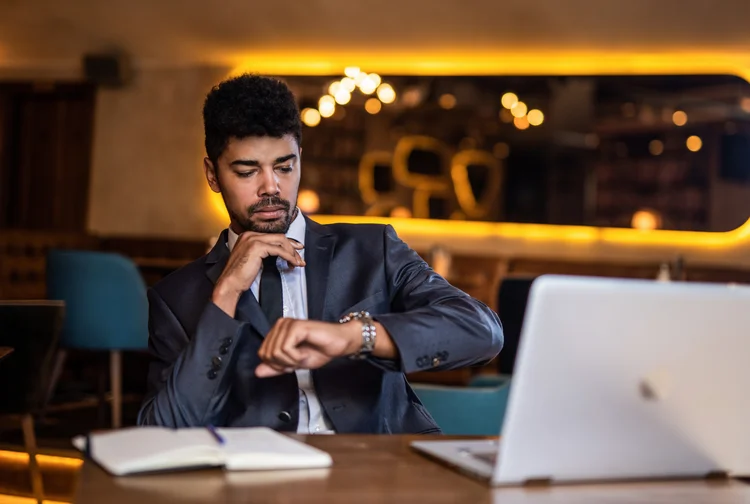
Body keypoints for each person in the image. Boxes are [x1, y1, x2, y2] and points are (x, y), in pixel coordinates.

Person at [137, 74, 503, 434]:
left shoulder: (372, 250)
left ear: (300, 159)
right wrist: (227, 293)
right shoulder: (175, 298)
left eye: (285, 166)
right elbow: (159, 431)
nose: (272, 187)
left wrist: (356, 337)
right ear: (212, 175)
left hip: (380, 474)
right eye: (247, 171)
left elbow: (481, 331)